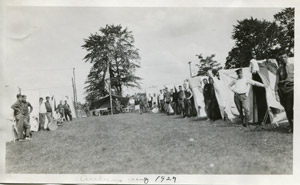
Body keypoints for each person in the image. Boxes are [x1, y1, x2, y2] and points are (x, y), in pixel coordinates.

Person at [275, 54, 294, 133]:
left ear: (287, 57)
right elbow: (276, 81)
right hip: (282, 90)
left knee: (290, 108)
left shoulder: (293, 66)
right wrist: (276, 92)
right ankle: (291, 124)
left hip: (291, 88)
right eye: (281, 57)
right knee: (287, 108)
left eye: (284, 57)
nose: (283, 59)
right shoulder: (279, 69)